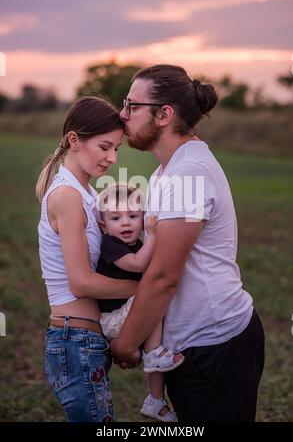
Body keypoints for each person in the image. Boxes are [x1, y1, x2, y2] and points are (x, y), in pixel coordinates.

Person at [111, 64, 265, 422]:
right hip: (193, 344)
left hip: (215, 344)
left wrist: (125, 342)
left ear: (164, 114)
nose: (122, 115)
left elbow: (164, 276)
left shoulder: (188, 172)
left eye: (132, 105)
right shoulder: (169, 170)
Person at [36, 96, 139, 422]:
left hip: (87, 339)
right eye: (105, 147)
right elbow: (81, 282)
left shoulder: (88, 195)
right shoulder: (67, 196)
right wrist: (146, 289)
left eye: (116, 149)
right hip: (73, 340)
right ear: (74, 140)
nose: (112, 157)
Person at [96, 183, 184, 422]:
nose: (125, 222)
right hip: (113, 318)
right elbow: (137, 265)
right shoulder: (110, 244)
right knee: (154, 298)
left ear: (143, 218)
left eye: (133, 216)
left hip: (127, 312)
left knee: (155, 310)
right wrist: (154, 235)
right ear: (103, 224)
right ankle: (154, 352)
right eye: (116, 217)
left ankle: (155, 400)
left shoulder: (138, 245)